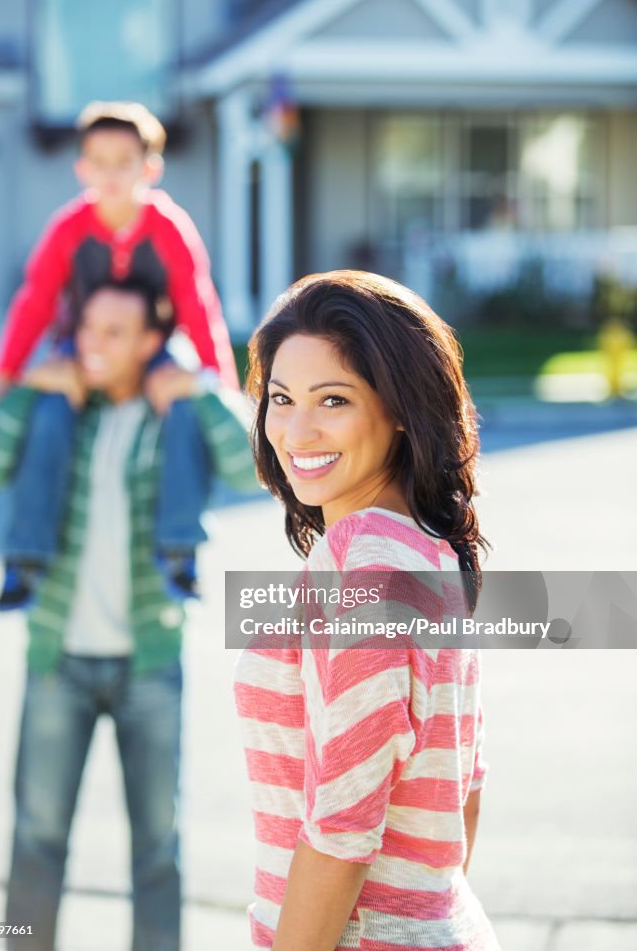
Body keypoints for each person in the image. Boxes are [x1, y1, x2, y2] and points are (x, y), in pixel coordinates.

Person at [0, 277, 255, 951]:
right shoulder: (58, 416)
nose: (94, 346)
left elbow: (249, 471)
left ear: (152, 342)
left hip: (150, 663)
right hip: (55, 658)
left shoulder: (173, 418)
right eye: (88, 329)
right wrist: (30, 386)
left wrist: (203, 390)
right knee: (36, 838)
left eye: (114, 333)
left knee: (158, 848)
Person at [235, 270, 501, 950]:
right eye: (282, 398)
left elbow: (341, 833)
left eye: (333, 400)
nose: (296, 430)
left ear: (403, 406)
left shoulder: (362, 564)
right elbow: (462, 788)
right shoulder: (429, 551)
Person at [0, 100, 238, 609]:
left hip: (151, 346)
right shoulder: (69, 228)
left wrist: (214, 377)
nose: (112, 174)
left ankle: (179, 549)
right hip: (82, 347)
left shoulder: (168, 227)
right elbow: (35, 299)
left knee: (182, 408)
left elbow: (196, 301)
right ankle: (25, 556)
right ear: (82, 167)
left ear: (150, 167)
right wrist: (6, 378)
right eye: (100, 161)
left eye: (125, 161)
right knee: (50, 412)